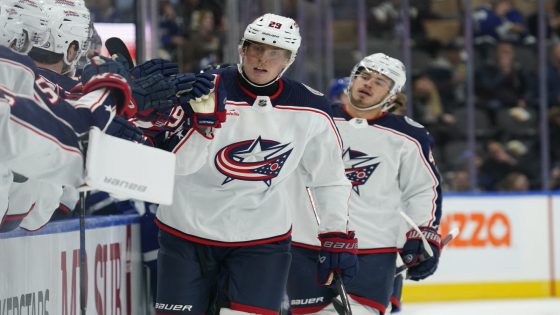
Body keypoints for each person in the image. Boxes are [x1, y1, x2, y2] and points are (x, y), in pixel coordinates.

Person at [153, 13, 356, 315]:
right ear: (242, 49)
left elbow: (329, 177)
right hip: (186, 231)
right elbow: (174, 167)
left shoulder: (310, 107)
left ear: (289, 59)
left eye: (275, 53)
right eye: (256, 48)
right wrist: (200, 128)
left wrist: (335, 232)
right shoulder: (202, 88)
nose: (262, 59)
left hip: (262, 240)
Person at [288, 53, 443, 315]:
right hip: (306, 246)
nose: (368, 83)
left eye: (380, 81)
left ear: (393, 95)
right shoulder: (316, 118)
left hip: (372, 252)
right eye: (364, 76)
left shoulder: (409, 135)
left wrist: (422, 234)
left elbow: (422, 189)